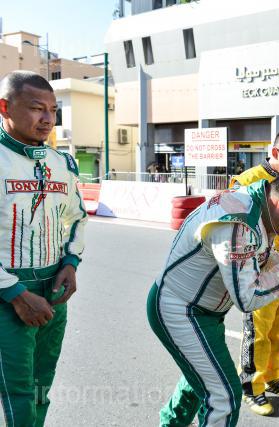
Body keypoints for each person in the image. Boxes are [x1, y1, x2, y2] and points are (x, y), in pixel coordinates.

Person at [148, 169, 279, 427]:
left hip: (199, 310)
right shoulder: (239, 224)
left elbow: (255, 262)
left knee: (198, 380)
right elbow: (248, 297)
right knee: (223, 397)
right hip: (181, 311)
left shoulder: (255, 202)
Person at [0, 70, 88, 427]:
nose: (48, 119)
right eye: (37, 108)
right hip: (8, 291)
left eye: (53, 110)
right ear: (5, 107)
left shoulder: (61, 163)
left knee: (41, 387)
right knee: (18, 396)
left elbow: (78, 217)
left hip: (53, 287)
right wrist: (16, 294)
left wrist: (70, 263)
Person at [231, 129, 279, 416]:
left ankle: (273, 376)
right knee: (258, 332)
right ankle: (251, 386)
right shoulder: (247, 181)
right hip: (259, 269)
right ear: (275, 152)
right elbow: (233, 227)